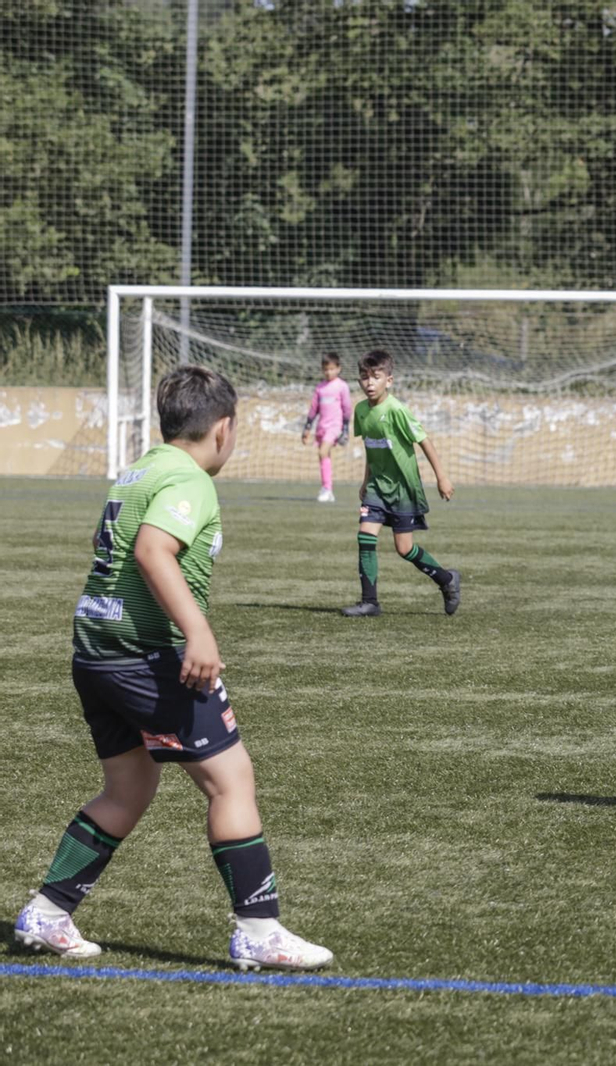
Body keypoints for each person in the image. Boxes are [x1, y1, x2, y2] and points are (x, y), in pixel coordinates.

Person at [14, 365, 333, 971]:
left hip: (96, 650)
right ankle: (259, 930)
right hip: (147, 655)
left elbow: (106, 545)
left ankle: (48, 913)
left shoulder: (139, 471)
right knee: (231, 781)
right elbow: (151, 550)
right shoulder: (190, 479)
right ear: (224, 428)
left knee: (128, 788)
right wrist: (198, 631)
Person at [341, 349, 460, 618]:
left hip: (403, 489)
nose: (370, 383)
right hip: (376, 487)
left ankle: (447, 579)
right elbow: (372, 447)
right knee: (365, 536)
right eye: (364, 377)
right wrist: (366, 481)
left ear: (389, 380)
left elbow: (424, 441)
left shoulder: (397, 410)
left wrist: (442, 477)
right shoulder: (361, 410)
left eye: (376, 377)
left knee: (404, 548)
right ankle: (370, 602)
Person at [301, 352, 353, 503]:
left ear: (338, 368)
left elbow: (347, 408)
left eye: (331, 369)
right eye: (325, 369)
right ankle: (327, 489)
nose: (328, 372)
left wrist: (345, 429)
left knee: (322, 451)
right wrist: (307, 428)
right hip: (322, 427)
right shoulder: (320, 388)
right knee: (324, 455)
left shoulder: (342, 386)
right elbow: (314, 409)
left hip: (335, 427)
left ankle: (327, 489)